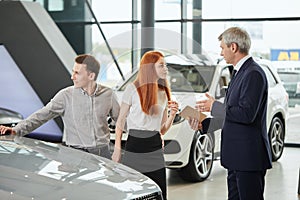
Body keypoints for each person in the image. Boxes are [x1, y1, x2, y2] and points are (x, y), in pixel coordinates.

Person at [190, 27, 272, 200]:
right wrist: (204, 124)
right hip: (236, 157)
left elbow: (246, 114)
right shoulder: (239, 72)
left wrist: (214, 106)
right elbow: (231, 115)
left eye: (222, 48)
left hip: (248, 159)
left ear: (233, 47)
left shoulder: (253, 73)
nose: (221, 52)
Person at [0, 54, 120, 159]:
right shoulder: (65, 95)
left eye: (77, 73)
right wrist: (16, 130)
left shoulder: (108, 94)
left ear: (91, 76)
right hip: (74, 155)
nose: (72, 76)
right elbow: (41, 116)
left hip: (102, 154)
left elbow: (121, 121)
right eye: (73, 71)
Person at [111, 50, 178, 200]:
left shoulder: (163, 93)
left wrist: (172, 115)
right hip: (134, 145)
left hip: (154, 147)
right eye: (161, 65)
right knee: (133, 192)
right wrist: (117, 149)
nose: (165, 69)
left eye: (165, 65)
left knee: (158, 192)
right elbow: (121, 120)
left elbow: (162, 130)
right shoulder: (132, 88)